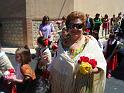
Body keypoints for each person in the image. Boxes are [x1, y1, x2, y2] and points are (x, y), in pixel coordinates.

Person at [49, 11, 106, 93]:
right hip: (62, 86)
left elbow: (101, 66)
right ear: (68, 27)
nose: (75, 29)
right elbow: (56, 61)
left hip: (81, 87)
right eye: (72, 26)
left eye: (79, 26)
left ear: (83, 28)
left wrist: (88, 69)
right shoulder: (62, 43)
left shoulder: (90, 43)